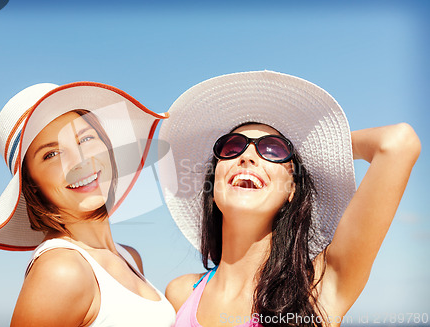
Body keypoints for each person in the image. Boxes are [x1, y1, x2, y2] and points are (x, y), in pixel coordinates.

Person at [158, 71, 420, 326]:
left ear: (292, 189)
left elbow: (397, 142)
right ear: (213, 183)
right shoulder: (180, 294)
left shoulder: (319, 289)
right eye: (232, 147)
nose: (247, 157)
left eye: (273, 150)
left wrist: (312, 154)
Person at [0, 82, 176, 326]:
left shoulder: (129, 257)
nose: (79, 160)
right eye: (51, 154)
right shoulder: (62, 271)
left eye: (86, 138)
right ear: (31, 184)